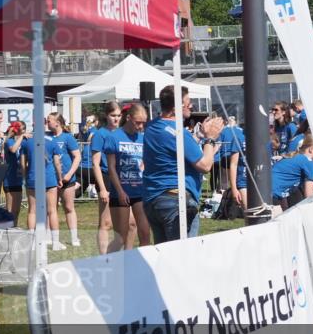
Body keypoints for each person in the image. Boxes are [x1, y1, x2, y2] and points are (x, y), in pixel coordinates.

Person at [143, 86, 224, 243]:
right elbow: (205, 165)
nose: (191, 105)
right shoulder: (179, 133)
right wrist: (210, 138)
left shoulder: (153, 126)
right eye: (188, 102)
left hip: (153, 200)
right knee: (183, 257)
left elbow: (175, 150)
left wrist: (199, 136)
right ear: (176, 107)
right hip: (175, 201)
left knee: (164, 255)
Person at [105, 103, 150, 250]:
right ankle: (109, 264)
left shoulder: (142, 138)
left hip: (139, 191)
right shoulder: (114, 137)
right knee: (121, 238)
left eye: (143, 123)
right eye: (138, 122)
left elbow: (145, 160)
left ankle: (138, 266)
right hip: (121, 192)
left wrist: (142, 169)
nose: (141, 126)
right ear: (129, 118)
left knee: (145, 234)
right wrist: (120, 191)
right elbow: (111, 167)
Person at [22, 125, 62, 248]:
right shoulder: (52, 141)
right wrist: (60, 178)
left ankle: (32, 243)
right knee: (52, 211)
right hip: (49, 178)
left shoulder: (27, 142)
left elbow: (23, 163)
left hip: (32, 178)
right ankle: (55, 242)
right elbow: (57, 163)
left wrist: (25, 177)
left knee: (32, 211)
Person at [90, 102, 122, 254]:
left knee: (126, 224)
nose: (116, 119)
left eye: (118, 115)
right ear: (106, 116)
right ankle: (103, 257)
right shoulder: (100, 134)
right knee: (106, 222)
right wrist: (102, 188)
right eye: (113, 115)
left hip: (123, 177)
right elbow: (95, 163)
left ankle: (113, 254)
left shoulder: (122, 132)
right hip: (105, 177)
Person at [48, 112, 82, 247]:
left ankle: (74, 238)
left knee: (68, 207)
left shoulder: (68, 137)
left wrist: (69, 175)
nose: (47, 122)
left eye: (49, 120)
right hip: (51, 179)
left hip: (67, 179)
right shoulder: (47, 137)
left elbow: (77, 157)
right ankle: (52, 238)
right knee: (52, 209)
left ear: (57, 122)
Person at [271, 136, 313, 210]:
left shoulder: (297, 157)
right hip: (271, 195)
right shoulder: (309, 162)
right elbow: (309, 196)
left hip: (266, 191)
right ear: (311, 149)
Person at [3, 122, 26, 225]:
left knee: (16, 209)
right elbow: (13, 150)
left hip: (18, 179)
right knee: (10, 210)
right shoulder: (9, 141)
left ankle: (14, 228)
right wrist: (21, 137)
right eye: (22, 129)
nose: (24, 131)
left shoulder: (20, 142)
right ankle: (7, 230)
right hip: (9, 180)